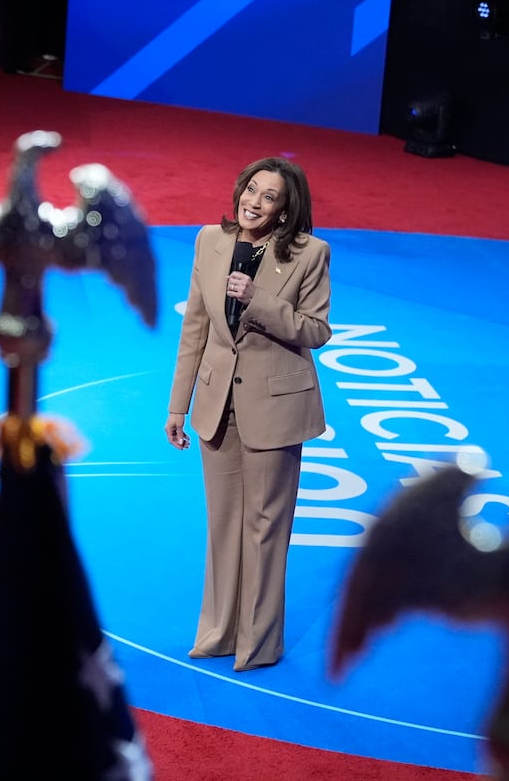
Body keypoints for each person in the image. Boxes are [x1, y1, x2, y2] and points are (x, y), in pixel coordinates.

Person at [164, 156, 331, 673]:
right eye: (250, 190)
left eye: (268, 196)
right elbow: (195, 326)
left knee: (264, 527)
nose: (253, 202)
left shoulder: (310, 254)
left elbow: (316, 331)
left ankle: (258, 644)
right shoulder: (209, 241)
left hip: (275, 408)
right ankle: (217, 633)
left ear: (285, 210)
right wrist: (178, 403)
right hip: (217, 405)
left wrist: (259, 300)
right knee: (223, 525)